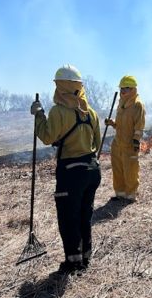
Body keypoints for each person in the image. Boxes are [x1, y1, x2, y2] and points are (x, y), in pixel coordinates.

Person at [30, 65, 101, 274]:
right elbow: (96, 143)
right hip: (92, 170)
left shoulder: (58, 111)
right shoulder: (91, 113)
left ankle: (73, 262)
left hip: (71, 172)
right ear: (79, 87)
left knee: (69, 218)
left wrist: (39, 115)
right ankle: (85, 257)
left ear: (60, 86)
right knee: (84, 215)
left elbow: (47, 137)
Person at [105, 75, 146, 202]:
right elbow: (120, 124)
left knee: (130, 170)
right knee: (117, 169)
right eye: (122, 88)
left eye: (126, 88)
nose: (123, 90)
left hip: (129, 143)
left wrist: (136, 140)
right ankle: (120, 193)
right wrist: (112, 123)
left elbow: (139, 125)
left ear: (133, 89)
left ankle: (131, 194)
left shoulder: (137, 105)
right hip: (118, 143)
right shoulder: (121, 103)